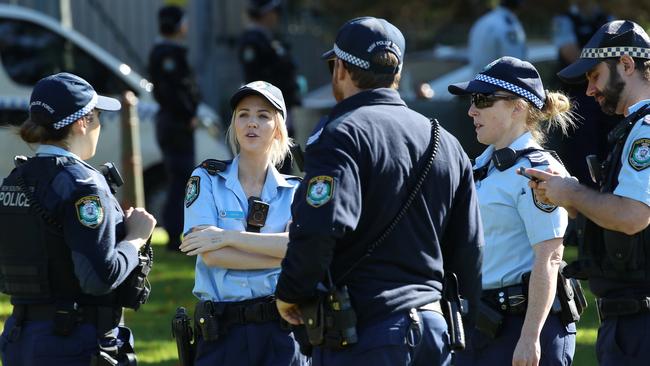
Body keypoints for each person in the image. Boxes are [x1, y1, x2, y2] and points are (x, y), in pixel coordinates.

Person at [274, 16, 484, 366]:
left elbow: (320, 227)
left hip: (364, 333)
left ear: (340, 68)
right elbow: (470, 249)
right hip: (435, 333)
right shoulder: (446, 142)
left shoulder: (340, 134)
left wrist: (291, 292)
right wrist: (465, 323)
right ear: (396, 73)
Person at [0, 72, 157, 365]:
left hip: (21, 339)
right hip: (73, 342)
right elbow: (99, 277)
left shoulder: (14, 179)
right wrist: (136, 237)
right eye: (97, 117)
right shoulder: (83, 185)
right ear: (82, 122)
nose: (99, 126)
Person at [526, 20, 650, 365]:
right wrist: (566, 198)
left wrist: (573, 192)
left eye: (595, 76)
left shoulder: (645, 131)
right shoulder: (632, 128)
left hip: (641, 324)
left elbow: (633, 217)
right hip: (629, 321)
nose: (591, 90)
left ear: (626, 65)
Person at [448, 56, 577, 366]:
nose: (472, 110)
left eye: (483, 100)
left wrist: (530, 338)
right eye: (472, 100)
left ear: (518, 106)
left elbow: (549, 257)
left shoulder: (537, 171)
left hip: (523, 327)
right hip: (481, 324)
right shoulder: (481, 166)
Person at [180, 81, 307, 366]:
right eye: (244, 114)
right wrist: (279, 255)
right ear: (234, 124)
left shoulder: (296, 191)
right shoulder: (206, 179)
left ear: (278, 127)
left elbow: (297, 249)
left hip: (282, 330)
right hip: (222, 332)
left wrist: (227, 237)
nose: (252, 123)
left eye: (263, 115)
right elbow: (212, 255)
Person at [148, 5, 202, 251]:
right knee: (180, 179)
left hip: (172, 122)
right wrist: (188, 114)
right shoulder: (166, 54)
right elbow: (174, 92)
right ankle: (173, 236)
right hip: (175, 124)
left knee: (180, 179)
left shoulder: (168, 52)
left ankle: (176, 234)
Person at [551, 0, 617, 187]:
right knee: (580, 154)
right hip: (577, 98)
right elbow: (571, 54)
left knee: (609, 150)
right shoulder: (564, 20)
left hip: (607, 96)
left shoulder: (607, 20)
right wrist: (601, 67)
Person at [468, 0, 527, 74]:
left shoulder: (482, 21)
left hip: (477, 81)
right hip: (499, 82)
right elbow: (514, 64)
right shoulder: (509, 25)